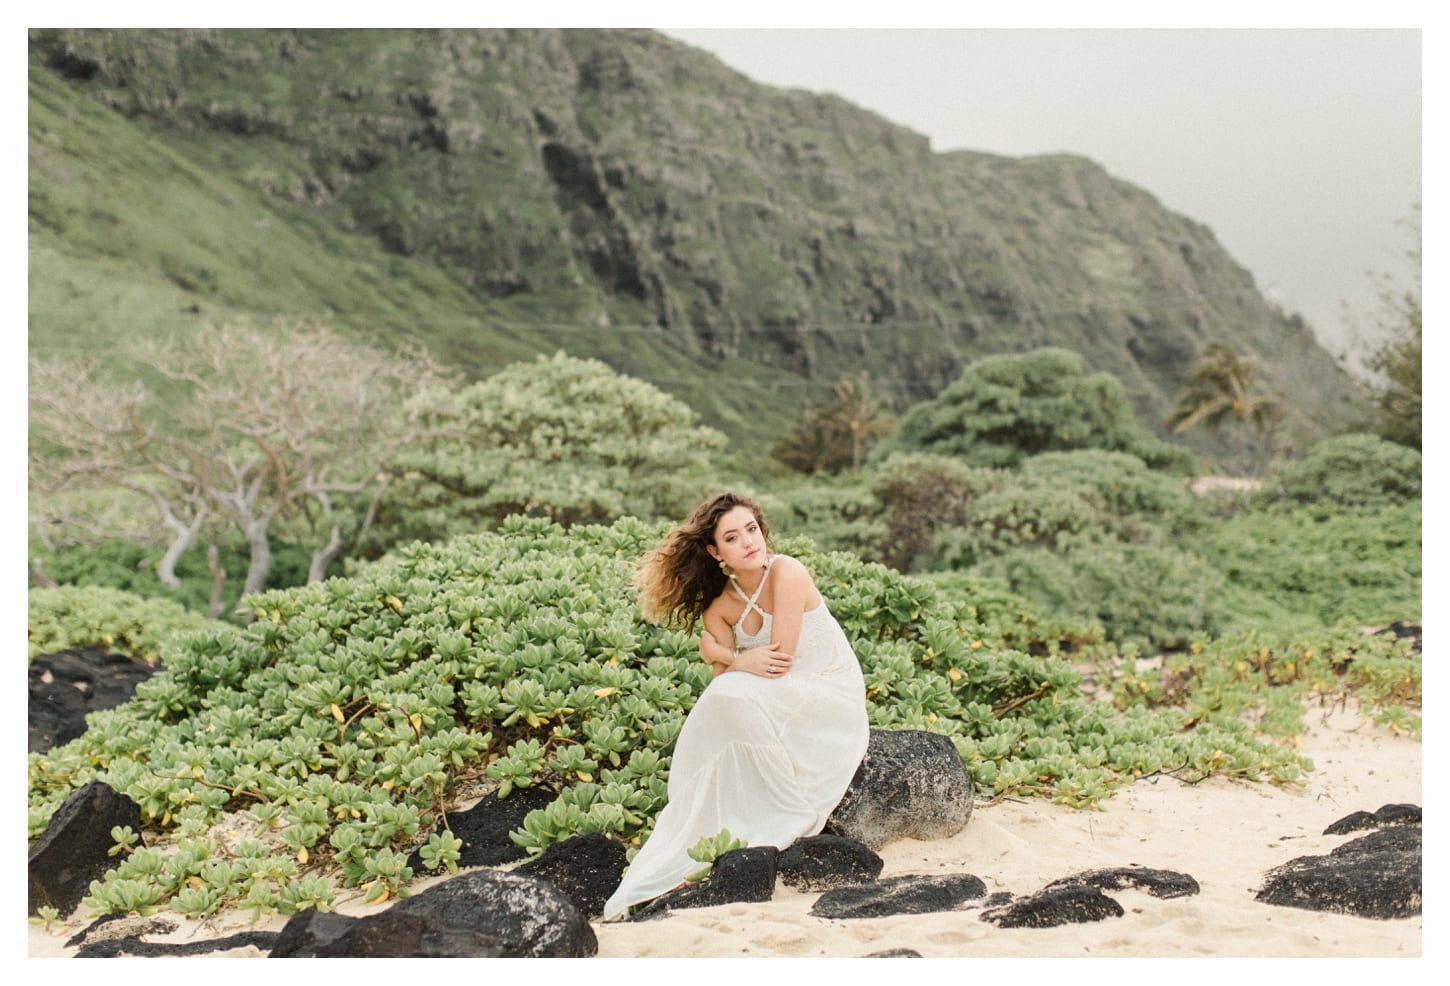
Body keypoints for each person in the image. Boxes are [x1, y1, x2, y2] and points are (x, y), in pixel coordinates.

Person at [601, 492, 870, 920]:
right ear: (715, 551)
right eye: (732, 536)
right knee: (720, 702)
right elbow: (726, 688)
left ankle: (781, 808)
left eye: (752, 529)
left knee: (729, 695)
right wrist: (735, 660)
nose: (749, 541)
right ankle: (700, 819)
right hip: (780, 694)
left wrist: (722, 655)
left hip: (826, 688)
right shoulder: (719, 606)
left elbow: (779, 661)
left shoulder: (787, 571)